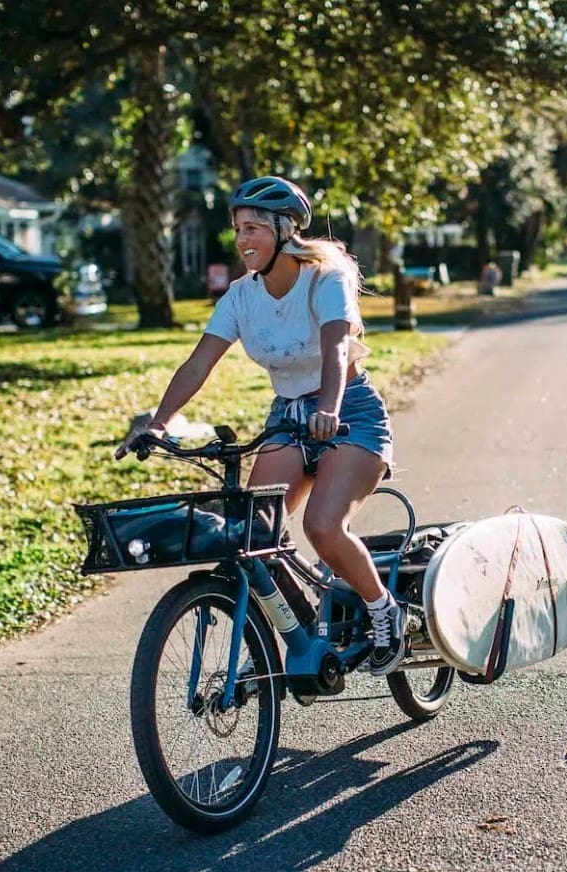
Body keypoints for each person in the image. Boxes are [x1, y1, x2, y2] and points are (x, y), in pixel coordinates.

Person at [118, 175, 404, 675]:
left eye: (253, 228)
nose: (243, 240)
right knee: (253, 533)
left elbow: (336, 348)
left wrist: (330, 408)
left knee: (321, 524)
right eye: (237, 229)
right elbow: (196, 365)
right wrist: (160, 423)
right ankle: (305, 621)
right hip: (288, 417)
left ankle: (385, 611)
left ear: (284, 230)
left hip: (349, 413)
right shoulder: (240, 297)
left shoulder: (327, 278)